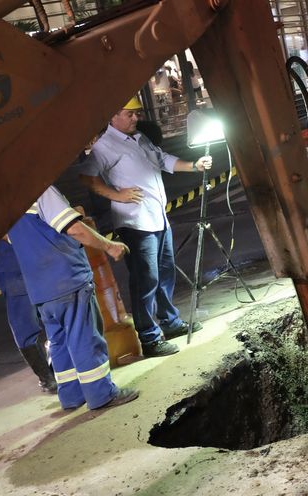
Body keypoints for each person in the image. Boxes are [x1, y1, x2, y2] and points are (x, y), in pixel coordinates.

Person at [80, 96, 211, 358]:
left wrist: (193, 165)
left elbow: (162, 159)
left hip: (157, 218)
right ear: (113, 115)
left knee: (164, 274)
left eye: (137, 114)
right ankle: (149, 338)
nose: (135, 118)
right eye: (129, 114)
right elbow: (87, 178)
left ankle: (170, 322)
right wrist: (118, 195)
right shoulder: (105, 147)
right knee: (145, 280)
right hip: (135, 223)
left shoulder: (139, 138)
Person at [7, 186, 138, 411]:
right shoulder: (41, 191)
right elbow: (75, 229)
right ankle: (102, 394)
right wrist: (109, 246)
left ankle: (71, 396)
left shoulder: (5, 202)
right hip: (66, 277)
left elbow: (12, 239)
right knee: (84, 337)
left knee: (59, 342)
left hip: (40, 288)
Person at [0, 238, 57, 394]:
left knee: (30, 324)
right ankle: (49, 376)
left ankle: (49, 377)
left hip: (24, 265)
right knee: (37, 321)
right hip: (26, 265)